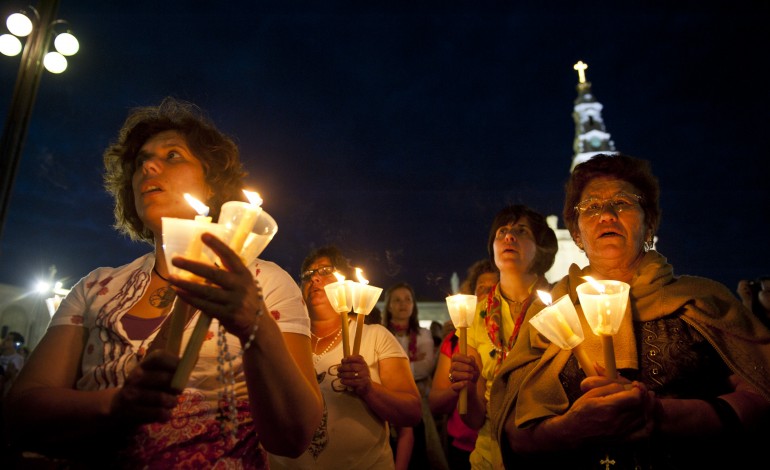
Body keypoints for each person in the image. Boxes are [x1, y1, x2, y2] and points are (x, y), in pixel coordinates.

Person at [3, 97, 323, 468]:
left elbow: (294, 436)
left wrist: (256, 324)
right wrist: (116, 405)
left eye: (173, 156)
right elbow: (19, 412)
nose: (149, 166)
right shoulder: (96, 287)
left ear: (212, 184)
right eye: (140, 162)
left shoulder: (265, 282)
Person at [490, 153, 770, 469]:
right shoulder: (551, 309)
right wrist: (571, 428)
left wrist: (662, 416)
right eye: (591, 207)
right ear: (578, 234)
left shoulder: (702, 298)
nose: (607, 214)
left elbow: (761, 395)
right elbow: (515, 430)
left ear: (649, 224)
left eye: (622, 203)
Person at [269, 246, 421, 469]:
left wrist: (368, 388)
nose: (315, 279)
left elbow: (412, 412)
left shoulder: (375, 336)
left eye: (325, 271)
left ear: (346, 284)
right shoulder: (282, 339)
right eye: (308, 275)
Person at [448, 205, 557, 469]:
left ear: (541, 248)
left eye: (521, 231)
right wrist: (468, 384)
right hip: (489, 455)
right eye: (502, 232)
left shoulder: (558, 305)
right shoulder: (475, 314)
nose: (509, 237)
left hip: (548, 452)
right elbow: (474, 419)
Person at [429, 259, 498, 470]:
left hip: (499, 446)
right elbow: (435, 403)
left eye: (493, 289)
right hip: (463, 444)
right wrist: (460, 384)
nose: (486, 294)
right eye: (481, 289)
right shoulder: (454, 341)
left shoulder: (510, 340)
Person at [383, 282, 446, 470]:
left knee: (421, 450)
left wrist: (394, 367)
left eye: (408, 299)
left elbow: (425, 368)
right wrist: (412, 360)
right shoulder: (382, 333)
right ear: (389, 305)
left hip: (419, 401)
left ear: (413, 305)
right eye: (397, 300)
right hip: (387, 400)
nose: (403, 304)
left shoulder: (423, 334)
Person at [0, 332, 25, 397]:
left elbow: (12, 376)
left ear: (15, 344)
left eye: (8, 339)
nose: (4, 341)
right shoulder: (1, 357)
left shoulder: (18, 359)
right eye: (5, 338)